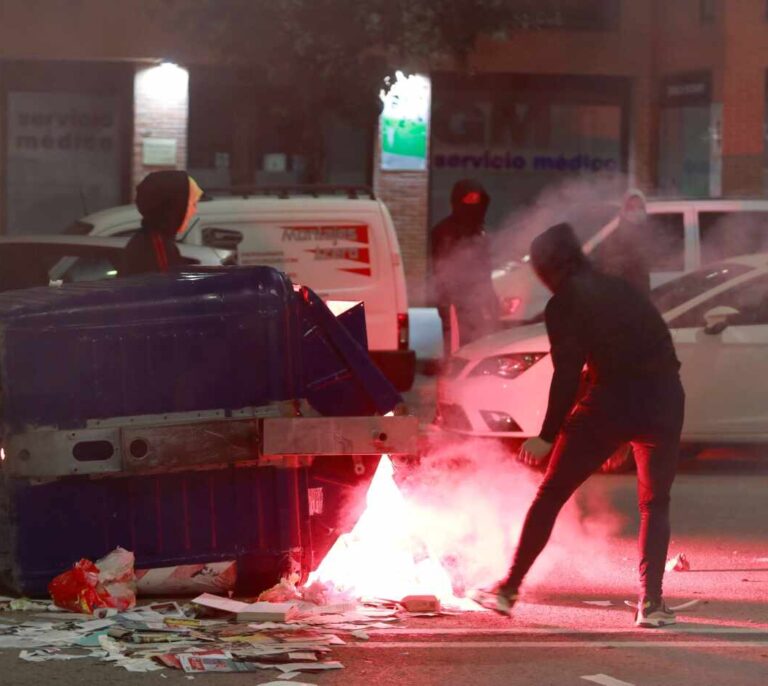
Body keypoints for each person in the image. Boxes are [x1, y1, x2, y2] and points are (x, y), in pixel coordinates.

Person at [472, 222, 684, 628]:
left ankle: (506, 590)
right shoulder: (622, 288)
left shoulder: (566, 302)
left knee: (551, 493)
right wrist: (630, 427)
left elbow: (568, 374)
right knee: (655, 504)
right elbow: (656, 344)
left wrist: (547, 435)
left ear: (548, 267)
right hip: (665, 399)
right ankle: (652, 605)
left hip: (612, 401)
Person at [430, 179, 498, 353]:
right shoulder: (444, 231)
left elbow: (485, 266)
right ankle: (452, 373)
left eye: (477, 200)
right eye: (468, 199)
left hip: (478, 298)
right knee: (455, 342)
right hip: (453, 299)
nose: (473, 206)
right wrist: (446, 302)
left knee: (480, 341)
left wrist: (490, 295)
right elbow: (440, 267)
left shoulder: (481, 232)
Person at [121, 170, 203, 276]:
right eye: (191, 204)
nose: (194, 211)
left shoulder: (153, 240)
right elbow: (168, 289)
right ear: (173, 207)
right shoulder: (156, 247)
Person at [592, 188, 651, 294]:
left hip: (642, 296)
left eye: (640, 207)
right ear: (623, 209)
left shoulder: (649, 233)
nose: (636, 211)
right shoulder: (614, 235)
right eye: (631, 208)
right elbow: (609, 265)